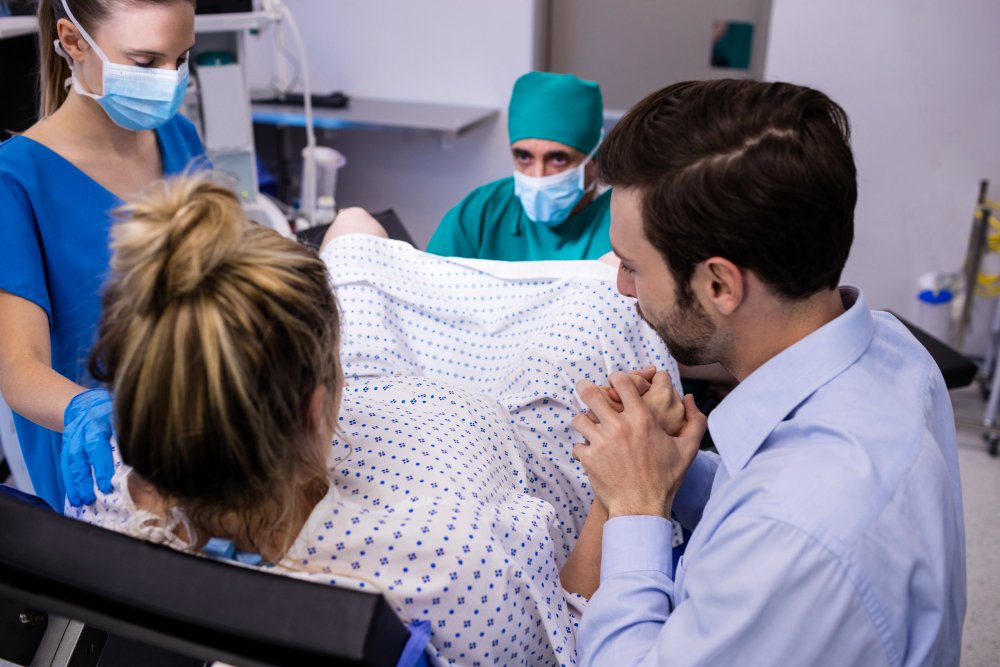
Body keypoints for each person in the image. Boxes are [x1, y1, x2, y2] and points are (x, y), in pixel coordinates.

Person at [71, 174, 682, 665]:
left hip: (393, 395)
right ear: (317, 407)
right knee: (603, 286)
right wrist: (623, 500)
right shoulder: (453, 572)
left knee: (354, 227)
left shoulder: (116, 497)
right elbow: (570, 633)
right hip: (524, 422)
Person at [567, 79, 966, 665]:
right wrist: (673, 471)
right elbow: (758, 485)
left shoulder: (798, 534)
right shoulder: (891, 344)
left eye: (632, 266)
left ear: (720, 284)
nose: (622, 287)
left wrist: (635, 508)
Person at [0, 0, 205, 511]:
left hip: (201, 418)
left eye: (181, 59)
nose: (170, 79)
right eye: (146, 62)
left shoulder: (178, 135)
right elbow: (18, 368)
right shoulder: (17, 180)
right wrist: (86, 409)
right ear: (72, 42)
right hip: (103, 457)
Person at [426, 71, 611, 261]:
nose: (538, 177)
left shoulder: (621, 222)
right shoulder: (483, 211)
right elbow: (429, 281)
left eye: (558, 159)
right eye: (524, 156)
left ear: (593, 161)